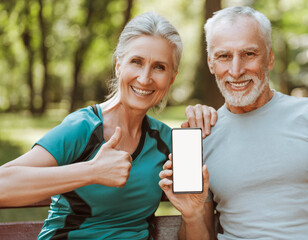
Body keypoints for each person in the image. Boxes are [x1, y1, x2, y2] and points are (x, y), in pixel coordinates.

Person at [0, 12, 216, 239]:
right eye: (136, 62)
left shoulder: (167, 143)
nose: (144, 78)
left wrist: (192, 215)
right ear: (118, 66)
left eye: (159, 67)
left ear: (172, 78)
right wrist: (92, 171)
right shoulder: (84, 127)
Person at [159, 6, 308, 240]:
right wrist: (191, 215)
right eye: (224, 56)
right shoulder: (203, 135)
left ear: (270, 58)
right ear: (211, 63)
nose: (236, 70)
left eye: (249, 54)